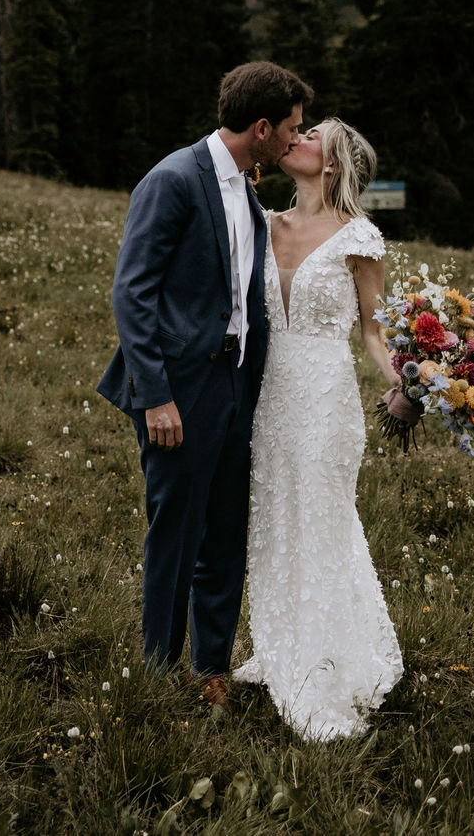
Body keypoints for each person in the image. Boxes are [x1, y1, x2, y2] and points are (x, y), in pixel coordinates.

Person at [97, 61, 309, 707]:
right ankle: (158, 674)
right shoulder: (173, 179)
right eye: (291, 131)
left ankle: (209, 667)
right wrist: (156, 394)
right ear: (262, 126)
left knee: (223, 529)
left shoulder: (245, 186)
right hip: (179, 390)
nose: (295, 142)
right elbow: (131, 292)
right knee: (176, 533)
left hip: (235, 386)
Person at [229, 119, 403, 740]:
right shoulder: (265, 223)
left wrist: (406, 382)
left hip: (327, 402)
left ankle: (325, 666)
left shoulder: (360, 236)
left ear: (330, 166)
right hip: (271, 397)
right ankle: (280, 647)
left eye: (310, 138)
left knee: (323, 522)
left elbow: (374, 334)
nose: (293, 139)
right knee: (276, 517)